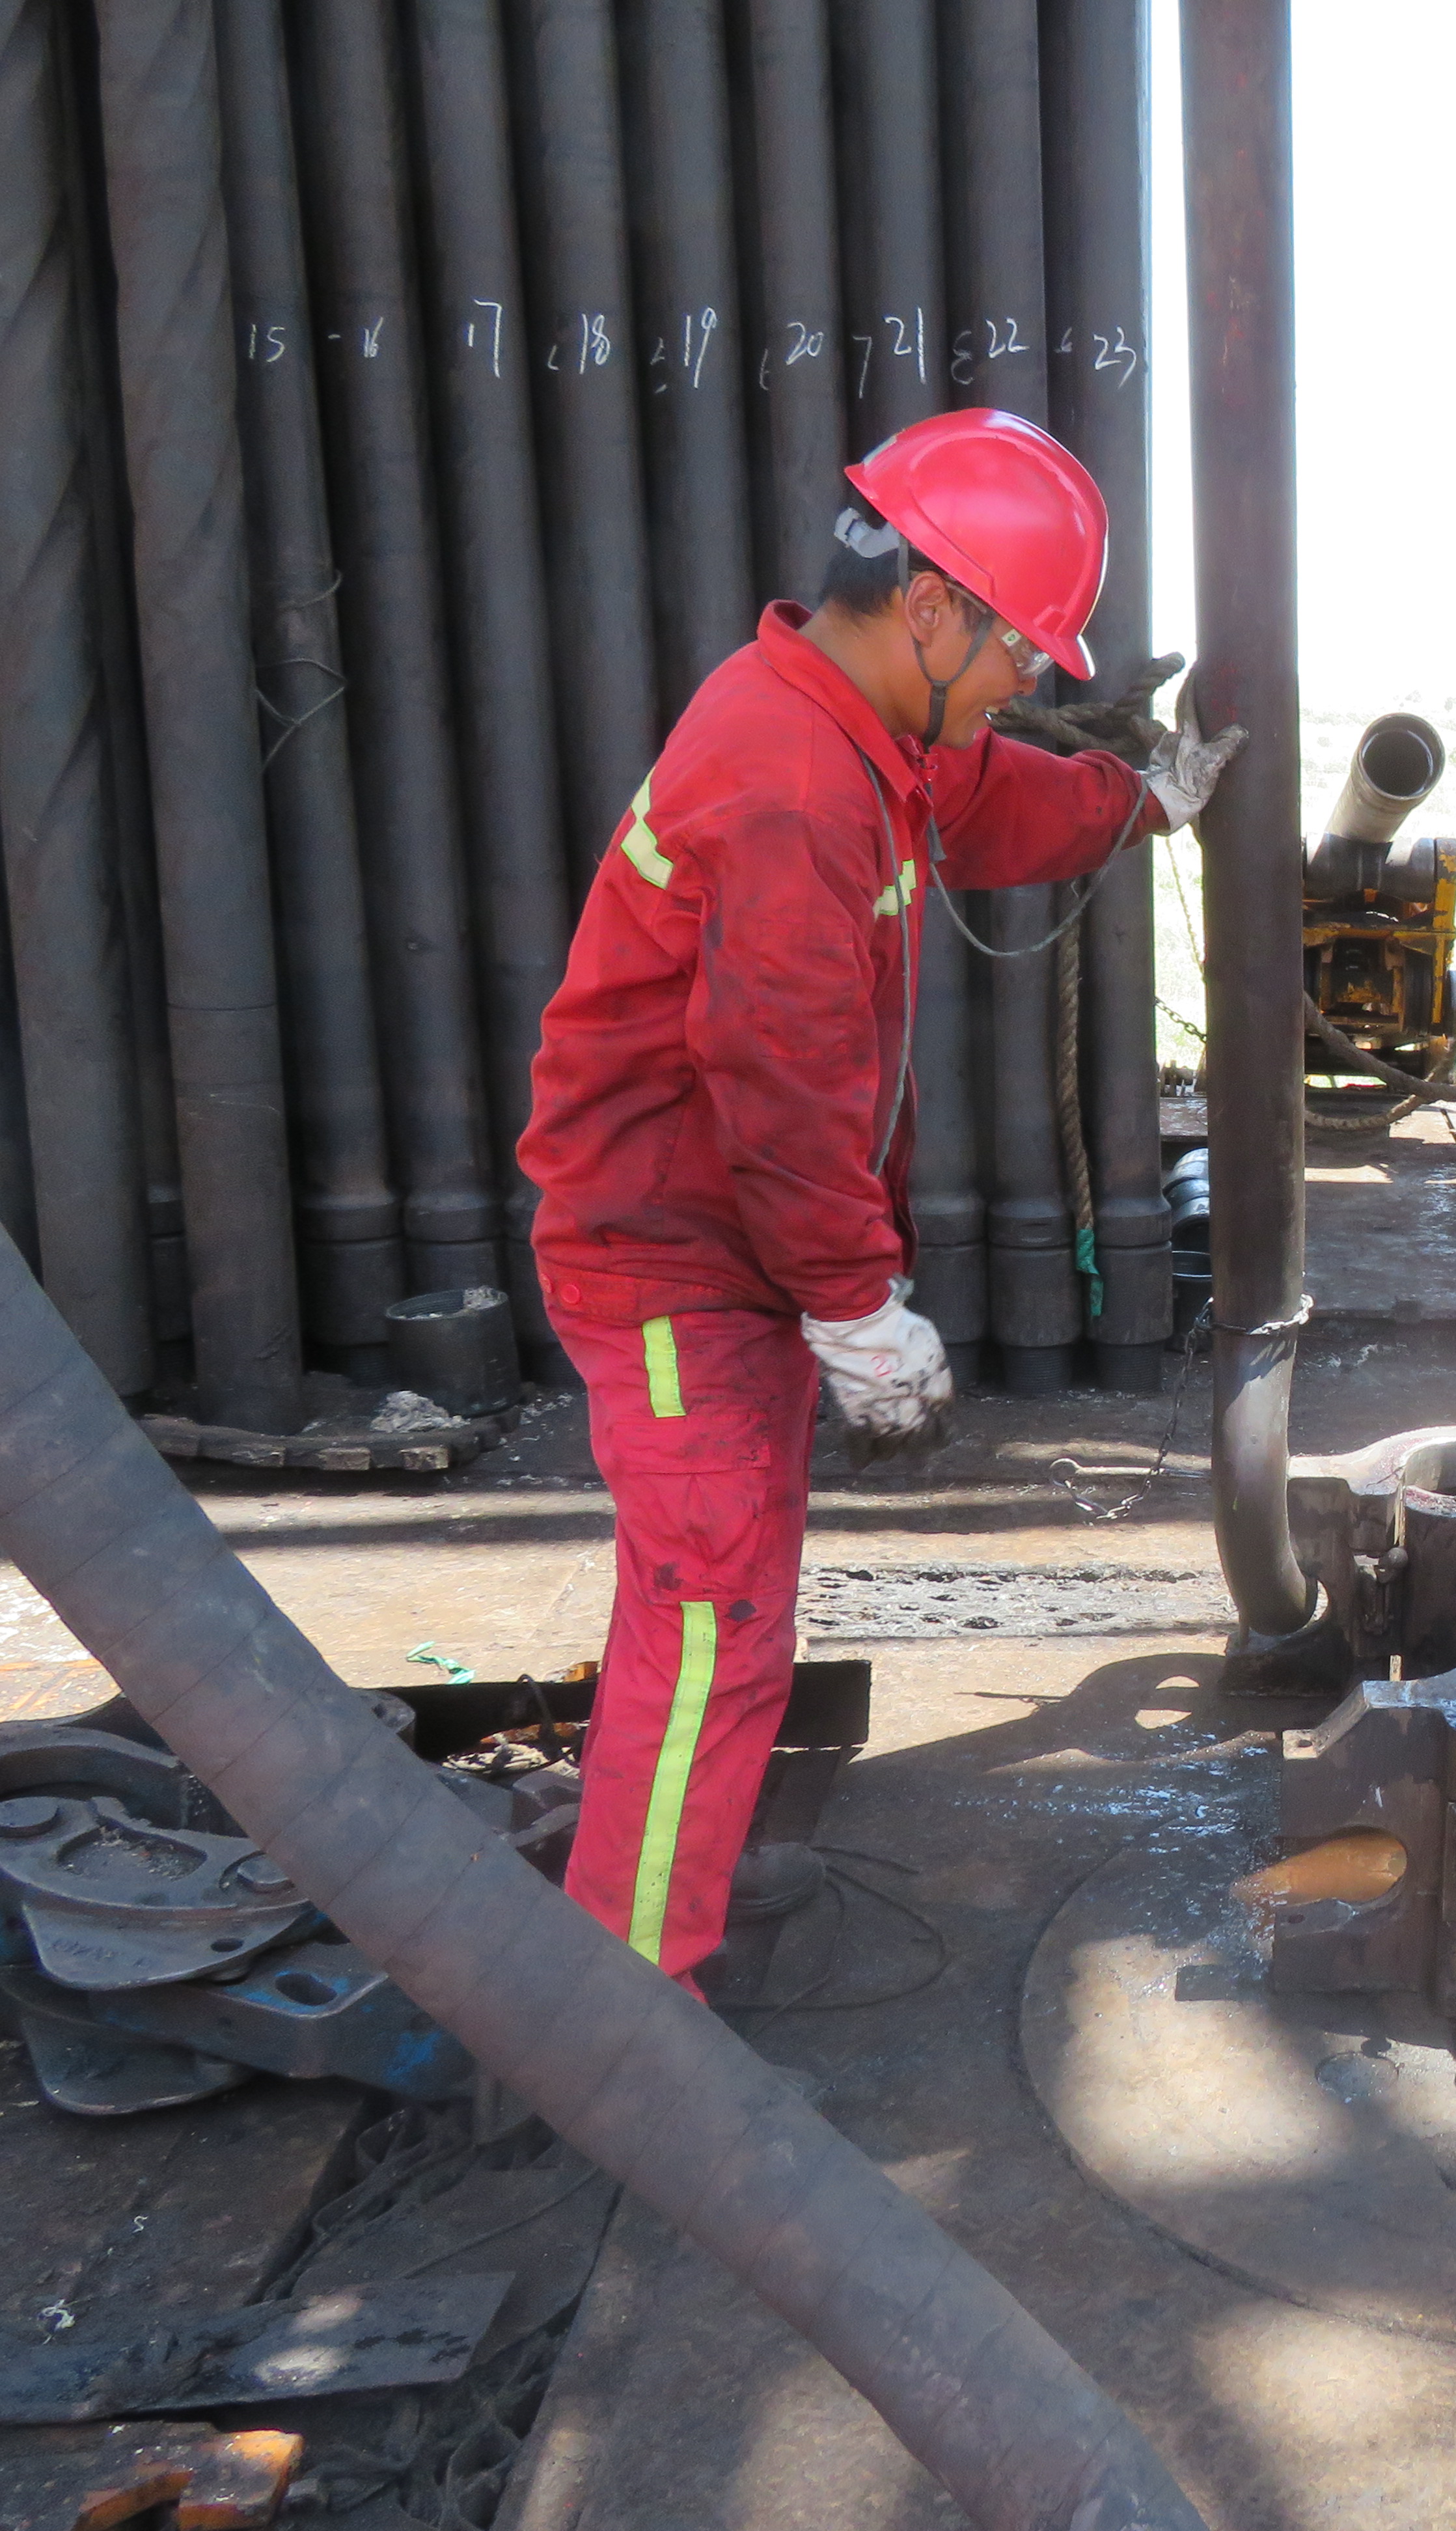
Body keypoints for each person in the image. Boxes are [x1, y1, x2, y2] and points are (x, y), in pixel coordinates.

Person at [519, 408, 1243, 1992]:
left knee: (727, 1606)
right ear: (927, 608)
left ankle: (657, 1895)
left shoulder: (855, 728)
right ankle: (617, 2018)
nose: (1023, 686)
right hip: (673, 1259)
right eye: (1017, 651)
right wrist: (855, 1306)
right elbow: (781, 1093)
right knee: (708, 1629)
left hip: (729, 1245)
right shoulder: (791, 787)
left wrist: (1139, 801)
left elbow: (983, 799)